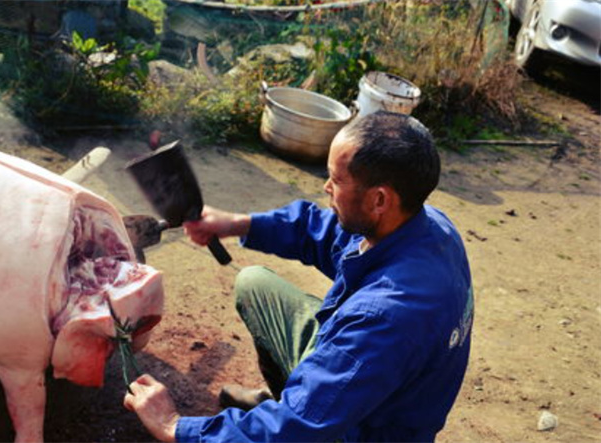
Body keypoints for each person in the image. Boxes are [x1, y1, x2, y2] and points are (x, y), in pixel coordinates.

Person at [123, 111, 474, 442]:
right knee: (255, 284)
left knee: (295, 426)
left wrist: (175, 426)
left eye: (336, 180)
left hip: (366, 431)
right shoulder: (426, 224)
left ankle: (299, 407)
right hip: (378, 382)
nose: (326, 188)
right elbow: (320, 231)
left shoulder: (384, 317)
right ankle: (294, 399)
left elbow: (292, 429)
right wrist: (238, 224)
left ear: (379, 199)